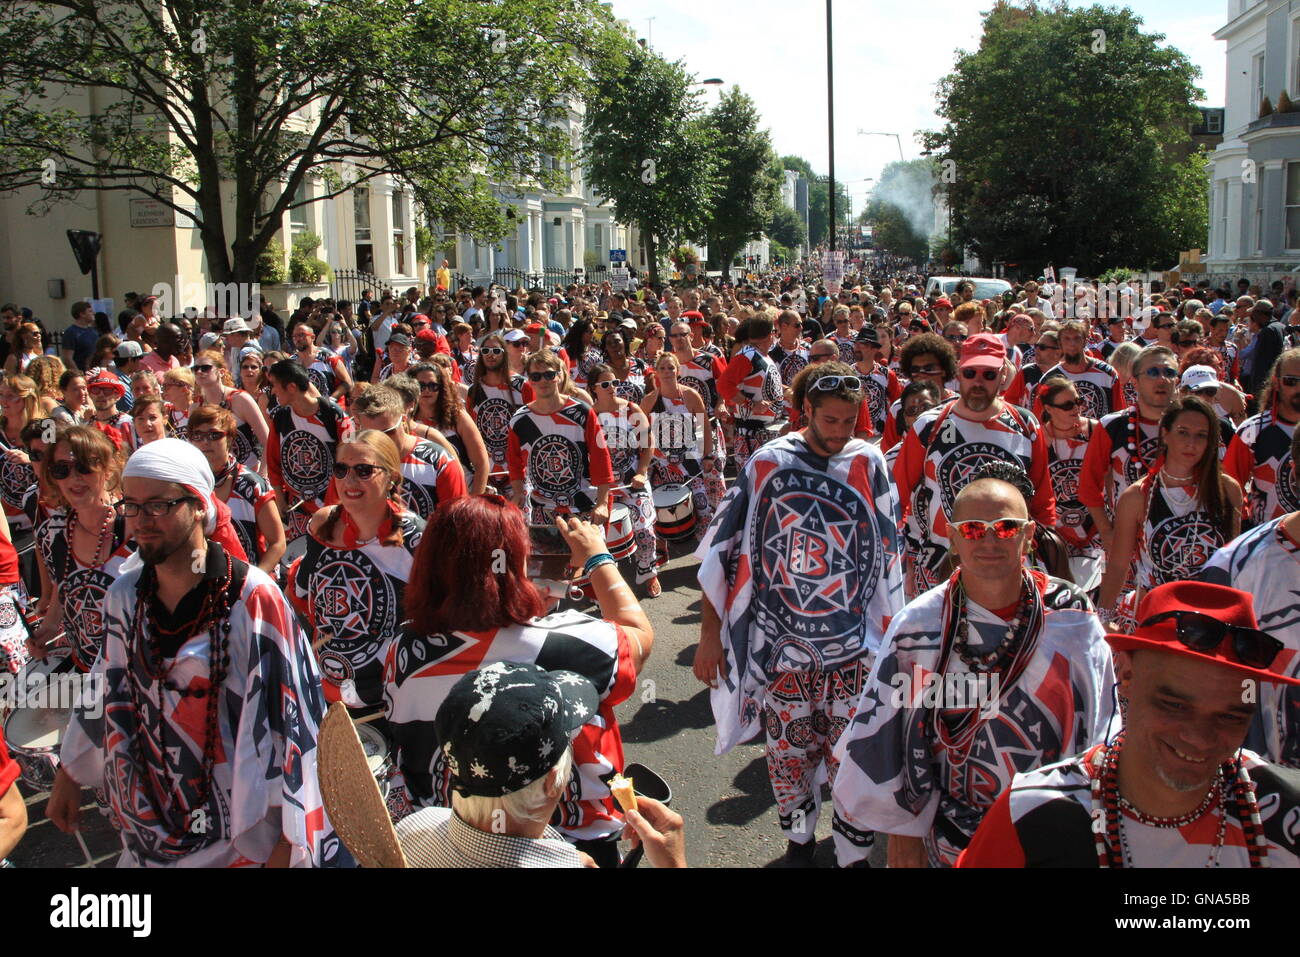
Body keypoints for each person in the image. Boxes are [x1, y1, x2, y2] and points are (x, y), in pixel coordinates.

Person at [47, 438, 337, 867]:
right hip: (149, 828)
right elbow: (106, 684)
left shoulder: (252, 598)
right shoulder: (125, 594)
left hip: (242, 835)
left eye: (159, 506)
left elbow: (296, 726)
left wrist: (289, 845)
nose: (142, 520)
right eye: (133, 505)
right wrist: (68, 775)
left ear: (200, 504)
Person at [832, 472, 1114, 868]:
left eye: (1005, 527)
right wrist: (904, 838)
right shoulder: (919, 626)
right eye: (973, 528)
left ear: (1029, 534)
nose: (989, 539)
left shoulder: (1071, 616)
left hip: (1050, 835)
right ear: (953, 535)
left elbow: (1101, 723)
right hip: (952, 837)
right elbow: (894, 737)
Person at [695, 362, 905, 867]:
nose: (839, 432)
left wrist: (896, 641)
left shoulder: (869, 462)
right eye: (829, 420)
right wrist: (708, 636)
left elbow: (889, 558)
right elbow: (721, 551)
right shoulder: (769, 463)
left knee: (851, 757)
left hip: (854, 649)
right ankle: (800, 840)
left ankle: (854, 853)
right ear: (804, 410)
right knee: (788, 755)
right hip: (783, 647)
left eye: (848, 422)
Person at [385, 500, 654, 866]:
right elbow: (639, 635)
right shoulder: (573, 642)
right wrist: (597, 558)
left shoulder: (402, 650)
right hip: (571, 842)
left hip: (452, 837)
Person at [958, 581, 1300, 868]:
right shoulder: (1031, 815)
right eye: (1175, 705)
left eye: (1230, 716)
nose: (1199, 737)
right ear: (1126, 676)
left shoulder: (1286, 809)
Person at [894, 333, 1057, 597]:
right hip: (940, 564)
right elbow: (897, 499)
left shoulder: (1026, 426)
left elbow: (1042, 501)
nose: (978, 382)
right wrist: (903, 562)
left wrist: (1045, 561)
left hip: (1009, 566)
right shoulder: (929, 426)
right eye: (970, 373)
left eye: (988, 375)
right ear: (959, 373)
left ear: (1003, 375)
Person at [289, 430, 423, 710]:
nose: (349, 480)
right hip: (322, 690)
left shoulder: (415, 539)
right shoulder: (321, 523)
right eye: (341, 469)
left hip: (388, 700)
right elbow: (299, 592)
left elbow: (438, 620)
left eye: (363, 470)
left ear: (391, 477)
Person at [1098, 396, 1242, 630]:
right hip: (1155, 618)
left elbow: (1234, 564)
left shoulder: (1227, 490)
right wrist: (1103, 619)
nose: (1191, 443)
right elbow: (1118, 565)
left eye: (1201, 435)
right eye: (1183, 432)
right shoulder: (1137, 497)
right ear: (1165, 434)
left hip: (1210, 620)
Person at [32, 425, 133, 672]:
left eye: (85, 466)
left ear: (108, 470)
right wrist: (43, 632)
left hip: (136, 680)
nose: (74, 478)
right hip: (87, 675)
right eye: (61, 469)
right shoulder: (56, 536)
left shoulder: (134, 530)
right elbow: (60, 599)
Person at [1079, 345, 1178, 552]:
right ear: (1135, 381)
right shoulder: (1112, 426)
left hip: (1181, 539)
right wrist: (1106, 531)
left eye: (1169, 372)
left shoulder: (1193, 425)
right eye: (1152, 372)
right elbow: (1088, 485)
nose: (1162, 379)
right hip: (1127, 541)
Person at [508, 349, 613, 526]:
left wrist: (602, 503)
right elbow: (514, 462)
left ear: (559, 375)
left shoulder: (582, 412)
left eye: (549, 375)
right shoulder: (519, 420)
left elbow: (600, 456)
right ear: (529, 380)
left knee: (592, 554)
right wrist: (518, 493)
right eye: (536, 376)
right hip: (543, 509)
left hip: (584, 505)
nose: (543, 381)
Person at [188, 405, 285, 575]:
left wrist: (253, 581)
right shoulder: (187, 485)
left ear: (230, 439)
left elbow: (278, 543)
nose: (205, 442)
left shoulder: (252, 486)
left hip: (247, 583)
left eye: (214, 435)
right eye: (197, 435)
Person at [589, 362, 660, 597]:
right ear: (594, 388)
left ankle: (648, 571)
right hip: (603, 485)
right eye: (606, 384)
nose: (613, 388)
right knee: (600, 535)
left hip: (632, 478)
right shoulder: (589, 416)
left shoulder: (631, 409)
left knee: (645, 528)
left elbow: (648, 444)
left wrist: (642, 471)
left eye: (615, 383)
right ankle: (607, 584)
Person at [264, 358, 353, 542]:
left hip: (333, 507)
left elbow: (352, 456)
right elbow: (273, 462)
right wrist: (280, 498)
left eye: (274, 385)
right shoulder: (280, 418)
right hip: (297, 511)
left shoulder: (334, 415)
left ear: (291, 387)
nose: (272, 391)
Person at [352, 383, 467, 519]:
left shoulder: (438, 461)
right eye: (370, 434)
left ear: (404, 420)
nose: (380, 442)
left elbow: (457, 522)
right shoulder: (351, 461)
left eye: (388, 433)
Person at [641, 351, 716, 543]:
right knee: (660, 514)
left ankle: (708, 554)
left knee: (703, 508)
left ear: (678, 370)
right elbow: (640, 434)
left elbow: (704, 427)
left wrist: (708, 455)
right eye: (662, 368)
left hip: (691, 462)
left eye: (671, 367)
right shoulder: (649, 400)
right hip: (662, 466)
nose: (667, 372)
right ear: (656, 372)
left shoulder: (690, 395)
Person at [1037, 375, 1103, 588]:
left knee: (1095, 589)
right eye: (1067, 405)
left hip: (1095, 526)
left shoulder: (1096, 430)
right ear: (1049, 408)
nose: (1076, 408)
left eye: (1078, 401)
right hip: (1057, 531)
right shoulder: (1038, 437)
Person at [1224, 348, 1300, 528]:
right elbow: (1229, 486)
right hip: (1268, 541)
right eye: (1291, 381)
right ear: (1276, 383)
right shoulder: (1252, 431)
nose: (1299, 388)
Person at [406, 362, 487, 496]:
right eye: (421, 386)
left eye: (433, 386)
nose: (427, 390)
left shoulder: (457, 416)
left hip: (463, 494)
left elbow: (481, 463)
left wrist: (475, 501)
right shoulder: (405, 421)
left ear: (441, 388)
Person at [191, 350, 269, 472]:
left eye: (205, 368)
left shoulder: (240, 399)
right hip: (213, 477)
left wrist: (262, 476)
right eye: (195, 369)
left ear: (221, 372)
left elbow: (268, 441)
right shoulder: (195, 407)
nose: (199, 372)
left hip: (248, 474)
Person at [1039, 319, 1123, 420]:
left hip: (1100, 434)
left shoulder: (1108, 374)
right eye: (1066, 339)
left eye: (1076, 338)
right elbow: (1041, 420)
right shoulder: (1049, 379)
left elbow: (1119, 415)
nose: (1072, 343)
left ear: (1085, 341)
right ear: (1059, 343)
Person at [291, 321, 353, 402]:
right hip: (303, 410)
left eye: (302, 335)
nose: (297, 339)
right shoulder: (291, 362)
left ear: (313, 337)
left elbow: (347, 382)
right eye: (294, 336)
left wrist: (330, 400)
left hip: (329, 410)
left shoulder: (328, 356)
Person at [62, 301, 99, 372]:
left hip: (95, 373)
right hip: (82, 373)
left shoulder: (93, 331)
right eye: (90, 311)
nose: (93, 313)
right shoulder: (71, 332)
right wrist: (79, 375)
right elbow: (68, 358)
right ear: (82, 314)